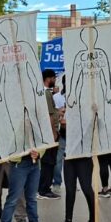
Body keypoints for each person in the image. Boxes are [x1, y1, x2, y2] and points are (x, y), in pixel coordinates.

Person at [58, 109, 96, 222]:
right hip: (69, 156)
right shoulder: (68, 111)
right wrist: (63, 125)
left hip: (84, 157)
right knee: (70, 190)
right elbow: (63, 134)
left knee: (86, 188)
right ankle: (68, 220)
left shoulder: (88, 112)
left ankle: (93, 220)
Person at [0, 145, 45, 222]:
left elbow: (42, 141)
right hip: (18, 164)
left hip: (34, 164)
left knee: (32, 199)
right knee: (13, 199)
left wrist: (39, 154)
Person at [38, 69, 62, 200]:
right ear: (48, 78)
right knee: (49, 162)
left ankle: (43, 187)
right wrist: (53, 133)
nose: (55, 81)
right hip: (49, 134)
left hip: (45, 132)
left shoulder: (42, 92)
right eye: (54, 78)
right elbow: (49, 115)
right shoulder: (46, 93)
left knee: (47, 161)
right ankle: (44, 189)